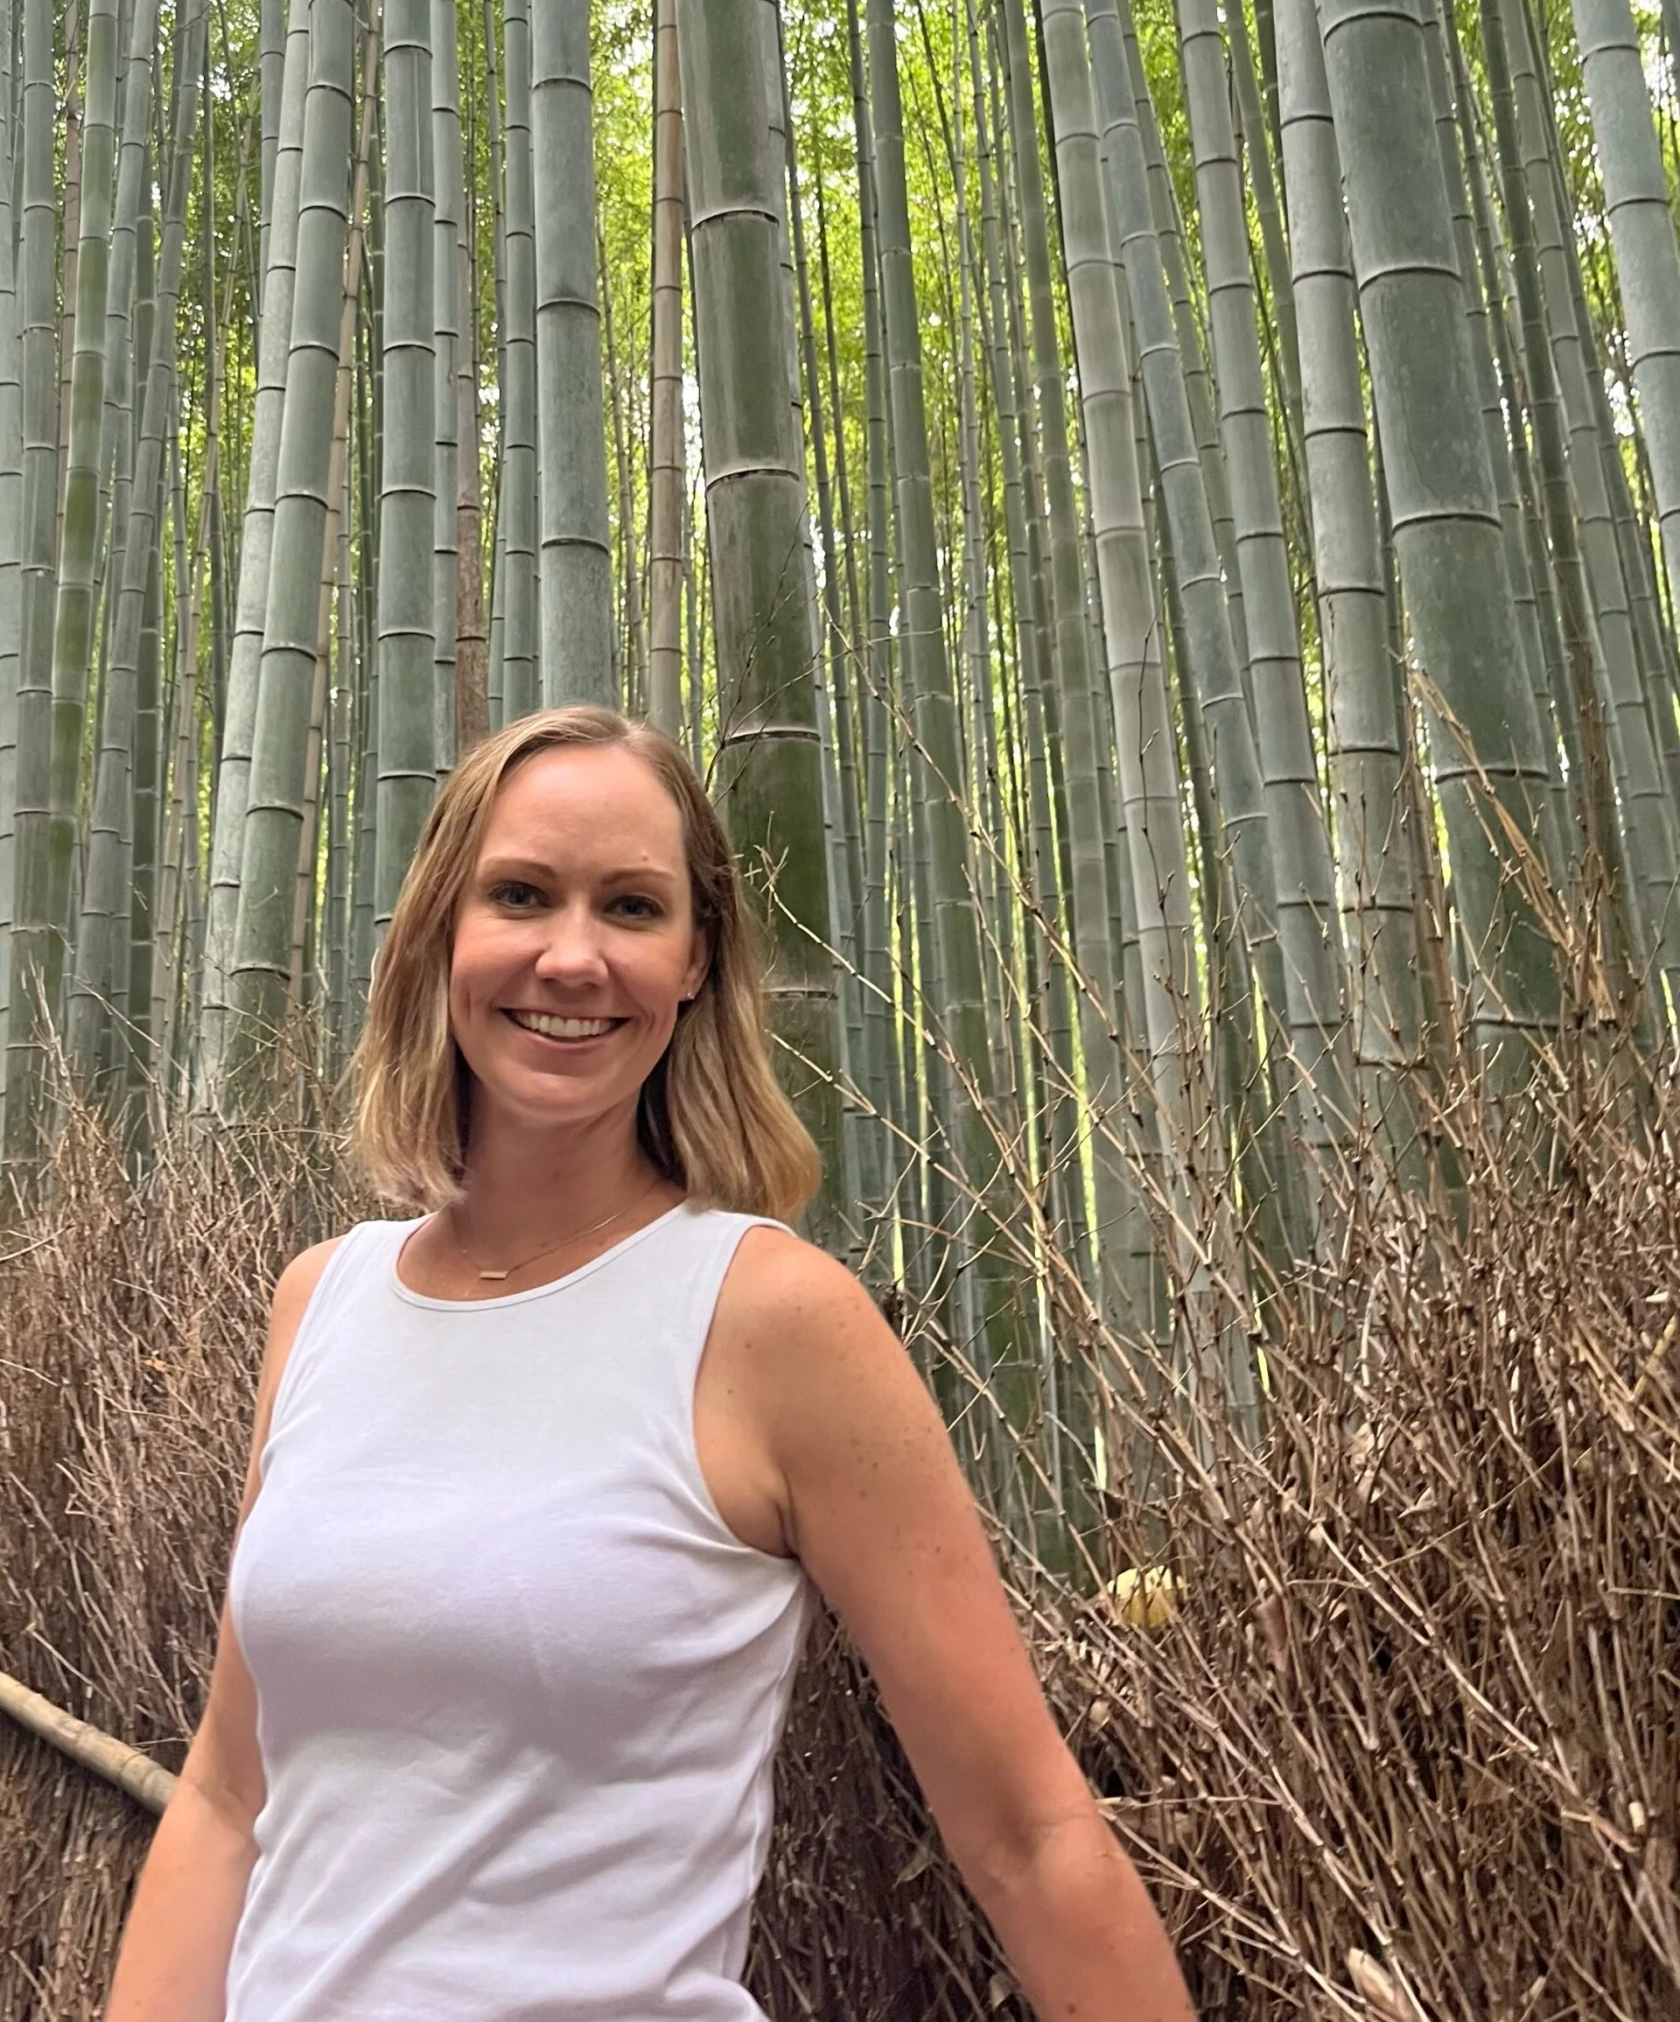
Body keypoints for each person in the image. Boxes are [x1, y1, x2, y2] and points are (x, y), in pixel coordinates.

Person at [104, 704, 1196, 2022]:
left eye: (631, 907)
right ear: (440, 931)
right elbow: (229, 1796)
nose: (572, 956)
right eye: (520, 895)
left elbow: (1028, 1832)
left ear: (694, 964)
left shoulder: (771, 1322)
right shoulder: (320, 1305)